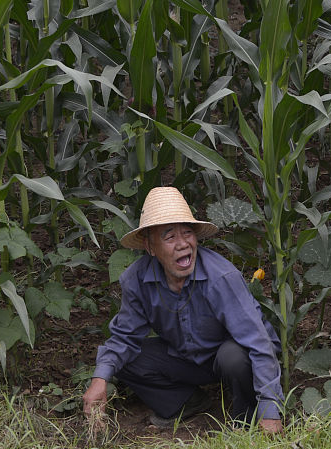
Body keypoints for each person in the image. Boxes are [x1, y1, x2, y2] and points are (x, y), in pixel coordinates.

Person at [82, 186, 284, 434]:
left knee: (233, 356)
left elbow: (260, 343)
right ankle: (187, 402)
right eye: (169, 237)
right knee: (123, 360)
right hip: (186, 358)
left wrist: (271, 410)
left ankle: (247, 417)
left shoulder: (221, 277)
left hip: (229, 357)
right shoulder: (136, 280)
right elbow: (123, 338)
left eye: (187, 233)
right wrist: (100, 379)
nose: (182, 244)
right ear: (150, 246)